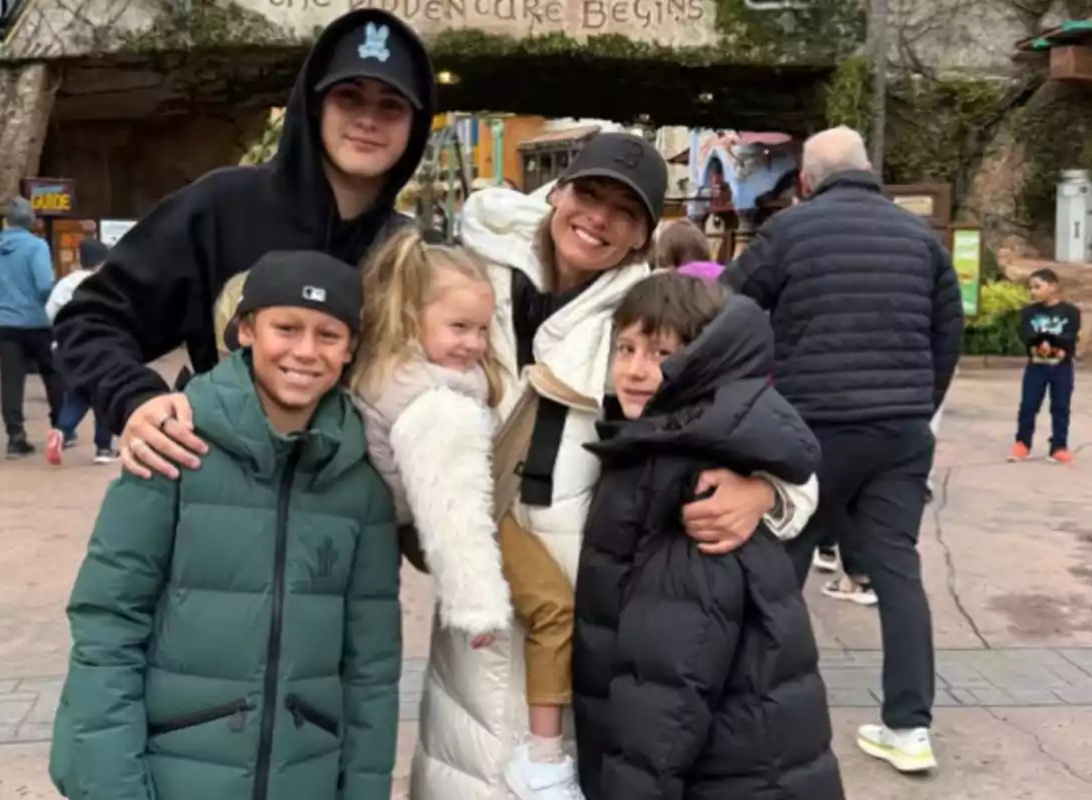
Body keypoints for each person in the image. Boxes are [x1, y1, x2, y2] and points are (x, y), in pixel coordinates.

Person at [412, 132, 820, 800]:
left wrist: (766, 494)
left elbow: (755, 424)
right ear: (557, 194)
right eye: (588, 194)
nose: (597, 219)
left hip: (594, 614)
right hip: (484, 587)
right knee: (468, 764)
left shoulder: (650, 319)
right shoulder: (470, 278)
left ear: (641, 234)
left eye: (623, 212)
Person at [48, 251, 400, 800]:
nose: (305, 351)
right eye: (286, 328)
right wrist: (112, 785)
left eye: (328, 334)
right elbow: (108, 627)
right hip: (173, 774)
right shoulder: (172, 448)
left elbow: (371, 672)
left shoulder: (359, 483)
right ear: (245, 331)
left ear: (350, 348)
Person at [54, 8, 436, 478]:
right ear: (315, 105)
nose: (368, 119)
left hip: (350, 522)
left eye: (391, 105)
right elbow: (90, 319)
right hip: (217, 499)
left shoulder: (409, 253)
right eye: (349, 96)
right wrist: (135, 399)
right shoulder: (221, 207)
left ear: (415, 126)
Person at [723, 125, 964, 773]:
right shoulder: (921, 239)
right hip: (902, 433)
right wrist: (915, 401)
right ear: (869, 170)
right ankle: (909, 728)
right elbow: (949, 334)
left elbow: (727, 306)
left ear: (806, 179)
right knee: (897, 572)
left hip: (812, 430)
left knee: (781, 571)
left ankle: (756, 713)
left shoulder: (790, 232)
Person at [574, 272, 844, 800]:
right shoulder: (679, 443)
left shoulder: (690, 480)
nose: (634, 369)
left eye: (660, 353)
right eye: (625, 348)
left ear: (704, 360)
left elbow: (669, 685)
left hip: (723, 771)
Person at [350, 226, 513, 645]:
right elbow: (455, 515)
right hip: (385, 536)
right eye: (459, 327)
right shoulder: (438, 406)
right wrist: (478, 607)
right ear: (409, 314)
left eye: (481, 329)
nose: (474, 344)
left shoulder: (389, 370)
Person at [0, 196, 64, 458]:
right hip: (37, 321)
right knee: (53, 374)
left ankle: (15, 437)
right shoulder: (37, 246)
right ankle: (61, 427)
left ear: (7, 220)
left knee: (11, 380)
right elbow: (44, 285)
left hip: (4, 322)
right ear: (31, 221)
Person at [45, 238, 117, 465]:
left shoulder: (65, 283)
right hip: (97, 346)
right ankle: (103, 448)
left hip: (65, 349)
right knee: (103, 394)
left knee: (78, 395)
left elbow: (49, 312)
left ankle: (61, 431)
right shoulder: (105, 283)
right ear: (103, 261)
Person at [1010, 267, 1080, 465]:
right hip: (1036, 367)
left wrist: (1050, 340)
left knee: (1060, 407)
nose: (1033, 291)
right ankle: (1022, 444)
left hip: (1062, 367)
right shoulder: (1028, 313)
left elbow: (1070, 337)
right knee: (1028, 406)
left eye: (1037, 287)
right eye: (1031, 287)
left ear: (1053, 287)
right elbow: (1026, 336)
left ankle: (1059, 446)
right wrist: (1041, 341)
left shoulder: (1071, 312)